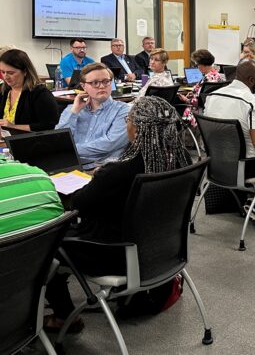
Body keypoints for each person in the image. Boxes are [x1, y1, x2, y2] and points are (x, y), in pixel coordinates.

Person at [44, 96, 192, 333]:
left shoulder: (119, 172)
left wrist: (102, 177)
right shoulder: (182, 160)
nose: (127, 124)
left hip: (114, 253)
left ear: (138, 127)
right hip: (163, 251)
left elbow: (79, 204)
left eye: (128, 120)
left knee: (45, 242)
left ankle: (63, 316)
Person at [205, 59, 255, 229]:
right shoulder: (252, 102)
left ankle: (251, 201)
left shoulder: (213, 96)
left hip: (215, 165)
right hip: (244, 168)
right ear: (252, 80)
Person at [56, 63, 129, 165]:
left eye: (106, 81)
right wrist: (74, 112)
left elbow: (109, 144)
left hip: (100, 168)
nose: (102, 86)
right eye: (95, 83)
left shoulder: (123, 110)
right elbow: (59, 140)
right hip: (70, 164)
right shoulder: (72, 109)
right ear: (83, 86)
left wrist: (69, 150)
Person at [0, 49, 59, 131]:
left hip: (31, 142)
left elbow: (49, 126)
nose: (5, 77)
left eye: (11, 73)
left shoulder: (40, 94)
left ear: (25, 72)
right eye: (3, 72)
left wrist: (13, 127)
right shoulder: (4, 91)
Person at [178, 49, 225, 125]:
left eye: (197, 65)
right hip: (211, 113)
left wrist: (186, 100)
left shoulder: (207, 79)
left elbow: (200, 101)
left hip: (197, 115)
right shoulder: (217, 75)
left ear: (202, 64)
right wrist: (193, 93)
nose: (197, 67)